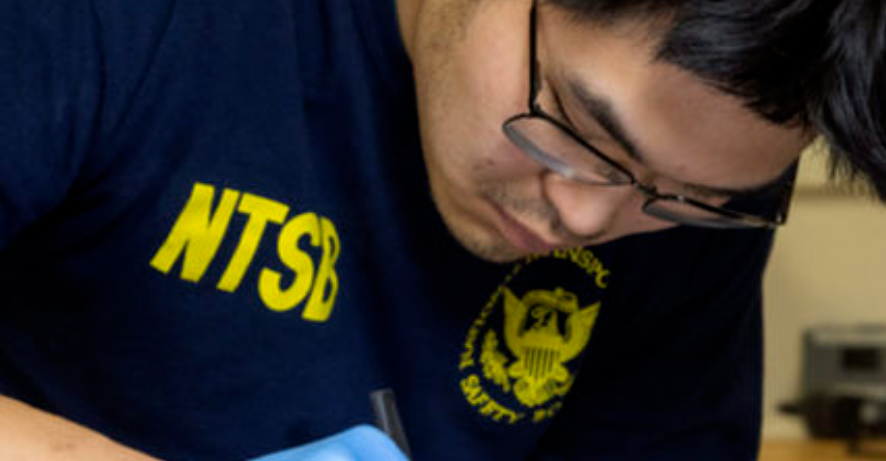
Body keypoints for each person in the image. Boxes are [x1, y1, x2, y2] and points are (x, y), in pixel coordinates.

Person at [0, 0, 883, 459]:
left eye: (688, 195)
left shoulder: (691, 198)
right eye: (578, 128)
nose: (585, 217)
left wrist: (685, 199)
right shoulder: (120, 24)